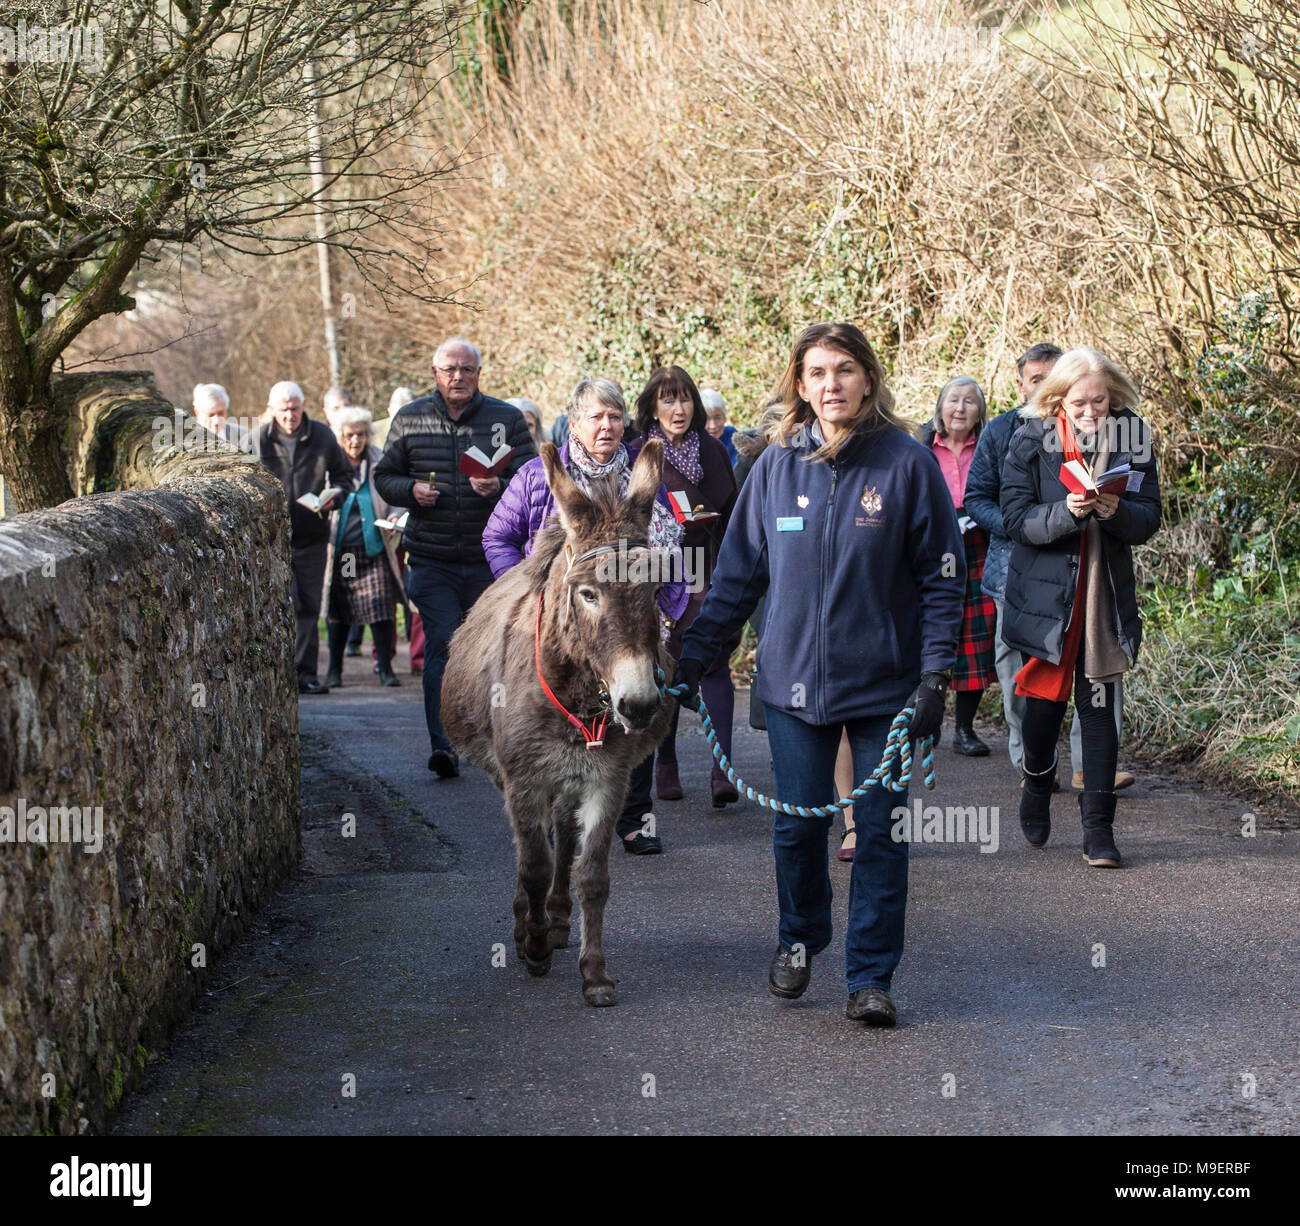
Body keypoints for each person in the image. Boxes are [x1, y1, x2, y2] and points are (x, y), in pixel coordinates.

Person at [675, 322, 964, 1026]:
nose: (830, 384)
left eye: (843, 370)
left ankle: (870, 977)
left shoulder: (906, 463)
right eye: (816, 373)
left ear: (867, 377)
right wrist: (693, 657)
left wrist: (934, 678)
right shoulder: (774, 467)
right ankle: (799, 940)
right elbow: (737, 577)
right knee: (796, 831)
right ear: (798, 385)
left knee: (881, 832)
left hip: (885, 688)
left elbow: (942, 578)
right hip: (791, 688)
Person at [484, 378, 689, 854]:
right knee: (557, 725)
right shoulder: (537, 478)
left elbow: (671, 554)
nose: (607, 426)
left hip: (631, 621)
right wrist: (525, 594)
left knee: (635, 715)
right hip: (557, 626)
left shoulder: (643, 481)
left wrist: (669, 609)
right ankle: (557, 816)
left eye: (615, 417)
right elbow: (497, 538)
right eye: (596, 417)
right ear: (574, 423)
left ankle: (634, 819)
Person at [1000, 346, 1161, 867]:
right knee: (1043, 712)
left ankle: (1099, 831)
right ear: (1056, 400)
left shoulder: (1132, 435)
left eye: (1101, 401)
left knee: (1098, 710)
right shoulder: (1029, 438)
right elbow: (1015, 519)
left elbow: (1149, 516)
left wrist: (1116, 511)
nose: (1092, 413)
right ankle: (1037, 783)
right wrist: (1066, 513)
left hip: (1103, 596)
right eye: (1080, 404)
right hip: (1047, 598)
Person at [374, 338, 536, 777]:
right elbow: (383, 477)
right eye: (450, 370)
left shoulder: (506, 419)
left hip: (493, 563)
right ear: (435, 373)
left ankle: (496, 738)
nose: (458, 377)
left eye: (467, 369)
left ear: (479, 373)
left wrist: (500, 489)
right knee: (444, 646)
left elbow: (535, 482)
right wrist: (411, 491)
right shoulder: (410, 420)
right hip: (433, 558)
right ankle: (443, 745)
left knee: (497, 651)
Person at [637, 367, 740, 807]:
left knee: (715, 662)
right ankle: (666, 761)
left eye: (684, 400)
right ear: (652, 408)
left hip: (709, 564)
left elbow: (736, 510)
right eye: (667, 400)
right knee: (667, 664)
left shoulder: (715, 450)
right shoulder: (642, 453)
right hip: (663, 571)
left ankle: (723, 769)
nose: (678, 409)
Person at [965, 344, 1061, 776]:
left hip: (1071, 569)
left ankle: (1090, 763)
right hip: (1011, 571)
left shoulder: (1090, 425)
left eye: (1053, 376)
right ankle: (1031, 761)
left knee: (1084, 666)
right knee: (1016, 671)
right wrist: (1019, 524)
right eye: (1036, 378)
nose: (1044, 385)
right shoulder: (1000, 431)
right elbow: (976, 498)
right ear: (1020, 383)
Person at [255, 381, 353, 694]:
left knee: (308, 605)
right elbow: (241, 483)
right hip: (270, 539)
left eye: (295, 408)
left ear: (303, 406)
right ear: (271, 409)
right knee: (275, 606)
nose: (289, 415)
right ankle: (272, 675)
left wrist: (332, 498)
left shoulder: (323, 436)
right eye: (283, 409)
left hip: (311, 536)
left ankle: (305, 675)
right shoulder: (256, 440)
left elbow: (344, 478)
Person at [917, 376, 996, 756]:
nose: (960, 408)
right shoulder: (920, 445)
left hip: (978, 545)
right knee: (927, 628)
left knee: (974, 637)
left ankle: (964, 729)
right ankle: (925, 719)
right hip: (930, 546)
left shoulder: (990, 445)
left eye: (969, 401)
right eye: (953, 400)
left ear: (980, 410)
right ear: (940, 406)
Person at [321, 408, 407, 689]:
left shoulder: (379, 459)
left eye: (360, 434)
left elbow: (394, 492)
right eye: (349, 435)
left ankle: (385, 669)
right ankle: (334, 670)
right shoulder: (331, 462)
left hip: (374, 546)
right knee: (341, 608)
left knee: (382, 608)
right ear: (340, 437)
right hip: (345, 550)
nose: (355, 440)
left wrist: (394, 514)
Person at [192, 383, 248, 448]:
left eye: (220, 413)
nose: (216, 420)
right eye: (211, 415)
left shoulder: (245, 436)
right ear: (197, 413)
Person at [701, 388, 738, 465]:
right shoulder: (692, 442)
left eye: (717, 418)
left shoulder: (732, 436)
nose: (713, 426)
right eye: (706, 419)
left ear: (724, 418)